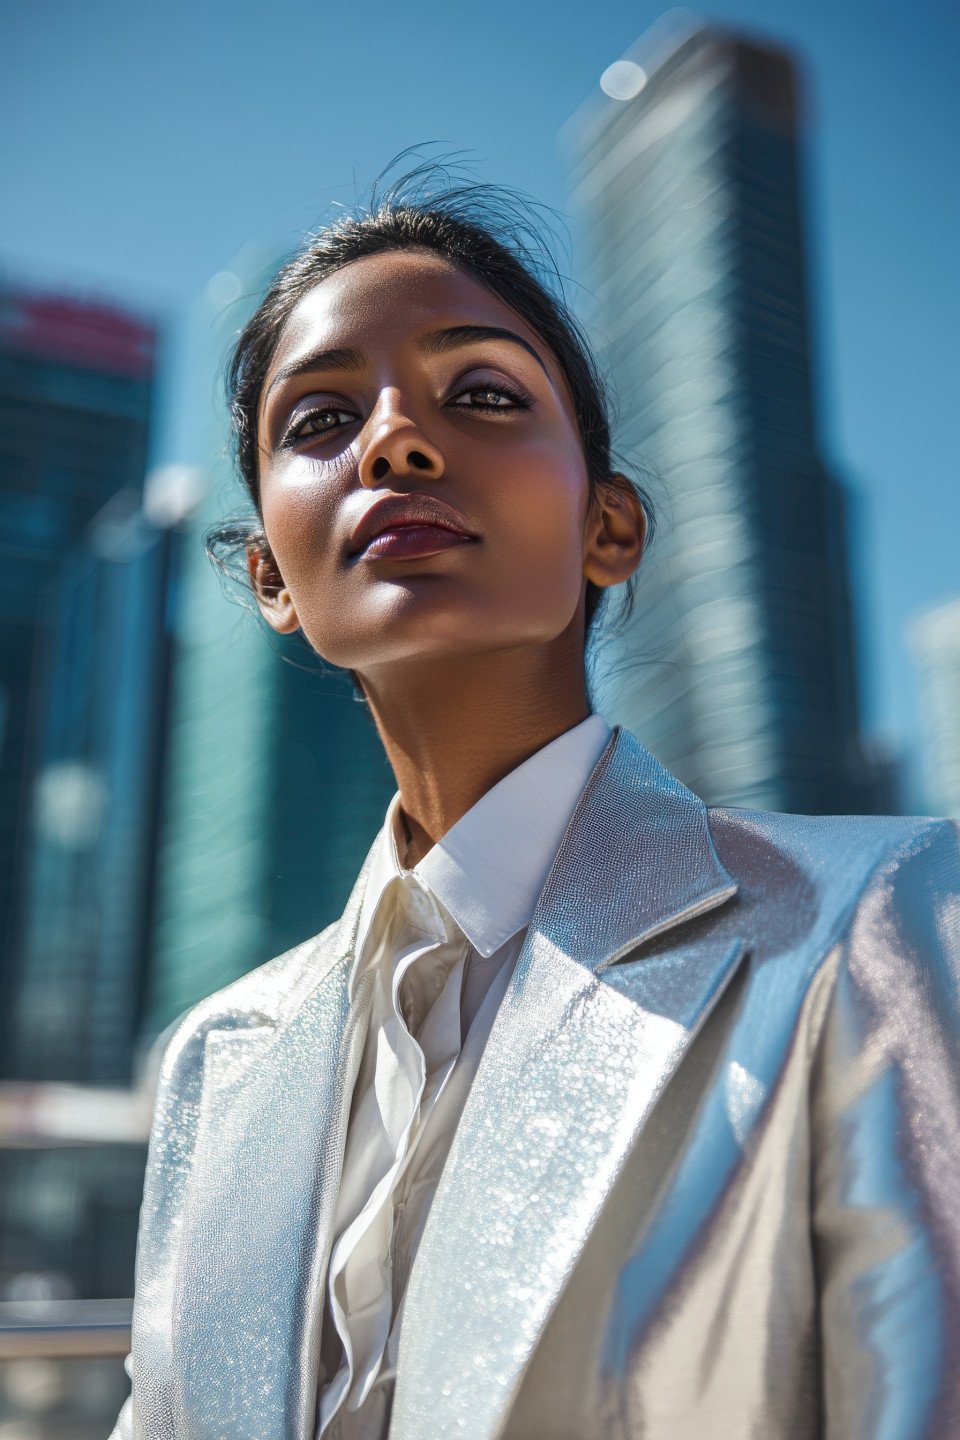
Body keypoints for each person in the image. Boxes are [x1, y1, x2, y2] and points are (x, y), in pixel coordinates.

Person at [110, 163, 960, 1440]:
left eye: (484, 394)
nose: (395, 440)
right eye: (319, 420)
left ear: (609, 527)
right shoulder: (216, 1061)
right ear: (269, 579)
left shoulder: (874, 929)